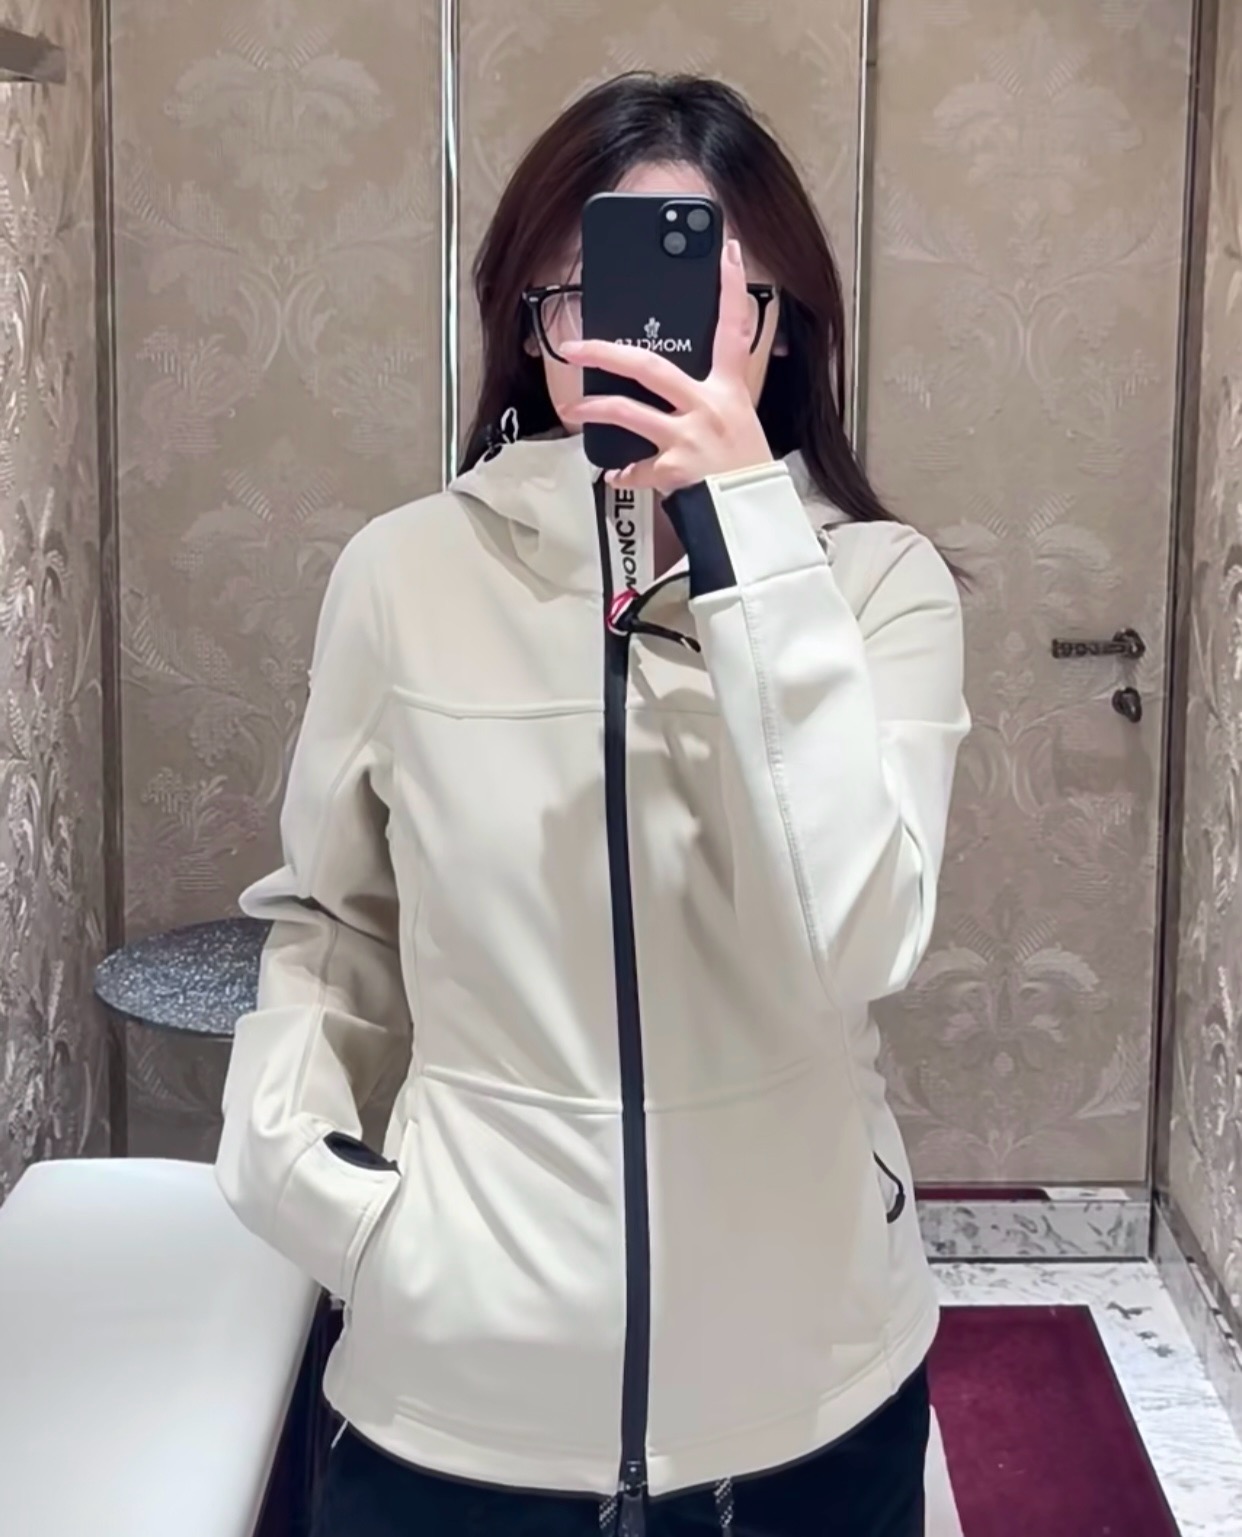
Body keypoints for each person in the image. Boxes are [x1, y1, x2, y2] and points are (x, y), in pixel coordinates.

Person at [216, 73, 969, 1537]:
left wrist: (745, 538)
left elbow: (856, 939)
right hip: (458, 1390)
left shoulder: (880, 589)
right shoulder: (402, 575)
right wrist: (326, 1192)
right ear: (529, 324)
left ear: (775, 322)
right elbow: (334, 919)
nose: (633, 331)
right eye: (581, 290)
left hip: (803, 1394)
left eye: (704, 290)